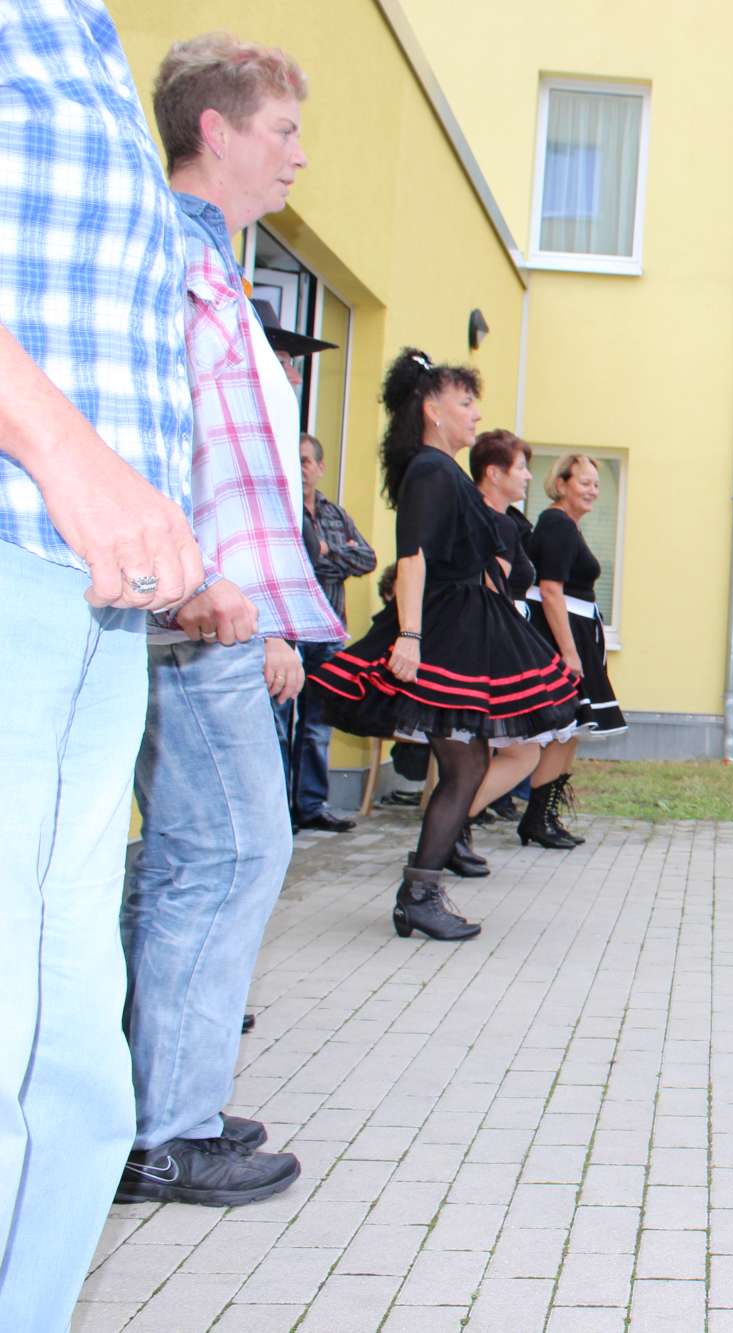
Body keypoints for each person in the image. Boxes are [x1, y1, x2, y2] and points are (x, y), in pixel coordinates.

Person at [120, 33, 350, 1211]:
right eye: (283, 131)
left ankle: (154, 1105)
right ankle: (168, 1129)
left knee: (195, 857)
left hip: (211, 615)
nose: (298, 156)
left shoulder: (208, 256)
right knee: (228, 855)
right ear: (215, 129)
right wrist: (211, 590)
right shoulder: (171, 253)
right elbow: (160, 437)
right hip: (191, 619)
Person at [0, 4, 202, 1321]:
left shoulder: (81, 29)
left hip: (87, 600)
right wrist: (65, 453)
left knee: (68, 1050)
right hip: (18, 543)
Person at [306, 350, 582, 941]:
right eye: (465, 402)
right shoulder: (431, 470)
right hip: (443, 627)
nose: (475, 414)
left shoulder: (445, 471)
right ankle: (419, 893)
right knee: (464, 763)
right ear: (433, 411)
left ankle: (424, 885)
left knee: (469, 761)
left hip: (462, 623)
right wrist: (409, 635)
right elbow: (413, 557)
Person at [465, 428, 564, 857]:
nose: (527, 476)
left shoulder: (498, 521)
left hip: (486, 643)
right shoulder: (495, 525)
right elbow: (492, 595)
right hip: (486, 648)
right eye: (521, 467)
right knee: (518, 751)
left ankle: (451, 832)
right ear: (493, 472)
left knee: (497, 751)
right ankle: (448, 831)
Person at [522, 452, 626, 846]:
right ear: (561, 483)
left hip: (576, 633)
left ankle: (545, 815)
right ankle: (536, 819)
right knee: (563, 730)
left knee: (573, 730)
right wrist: (569, 652)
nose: (593, 491)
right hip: (560, 637)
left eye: (596, 484)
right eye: (584, 483)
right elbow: (550, 590)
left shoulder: (568, 525)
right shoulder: (557, 524)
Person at [288, 429, 376, 832]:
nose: (301, 469)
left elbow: (367, 559)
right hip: (287, 633)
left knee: (317, 727)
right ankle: (278, 811)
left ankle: (310, 806)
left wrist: (325, 550)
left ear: (321, 467)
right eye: (294, 461)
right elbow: (295, 564)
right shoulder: (281, 510)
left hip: (328, 632)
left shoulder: (335, 515)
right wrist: (333, 558)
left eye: (306, 461)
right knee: (278, 725)